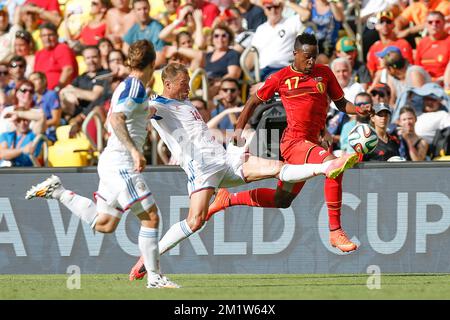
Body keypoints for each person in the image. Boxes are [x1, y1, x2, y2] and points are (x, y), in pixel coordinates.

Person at [128, 62, 360, 280]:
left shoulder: (186, 102)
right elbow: (142, 111)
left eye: (188, 81)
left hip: (225, 159)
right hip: (202, 170)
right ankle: (149, 257)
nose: (188, 86)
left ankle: (327, 166)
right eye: (183, 83)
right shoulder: (159, 105)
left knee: (278, 168)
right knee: (195, 221)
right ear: (168, 85)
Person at [25, 40, 180, 289]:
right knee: (151, 217)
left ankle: (59, 191)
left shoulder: (129, 86)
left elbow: (126, 114)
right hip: (121, 161)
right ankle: (154, 278)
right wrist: (134, 151)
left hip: (111, 160)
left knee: (105, 224)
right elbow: (117, 118)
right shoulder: (134, 88)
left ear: (130, 62)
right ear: (153, 63)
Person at [205, 33, 373, 253]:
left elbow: (341, 103)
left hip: (312, 143)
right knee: (333, 166)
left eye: (315, 56)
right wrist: (238, 131)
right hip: (294, 143)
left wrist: (358, 110)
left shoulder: (324, 73)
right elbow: (253, 100)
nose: (311, 61)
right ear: (295, 54)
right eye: (307, 57)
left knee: (282, 199)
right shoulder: (281, 77)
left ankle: (229, 198)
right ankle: (335, 231)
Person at [33, 22, 78, 91]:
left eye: (50, 35)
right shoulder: (39, 54)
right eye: (44, 36)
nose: (47, 38)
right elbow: (35, 76)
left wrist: (57, 88)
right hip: (42, 94)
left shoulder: (62, 48)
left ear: (57, 36)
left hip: (61, 91)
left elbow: (68, 70)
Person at [123, 0, 167, 68]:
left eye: (145, 8)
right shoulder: (135, 27)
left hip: (153, 69)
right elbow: (125, 48)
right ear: (134, 11)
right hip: (137, 67)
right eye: (139, 9)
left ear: (149, 8)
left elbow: (160, 58)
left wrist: (141, 69)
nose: (142, 12)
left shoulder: (157, 28)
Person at [415, 11, 449, 84]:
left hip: (445, 83)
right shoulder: (422, 43)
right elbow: (417, 68)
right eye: (430, 22)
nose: (434, 25)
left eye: (437, 22)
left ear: (444, 23)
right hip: (424, 84)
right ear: (426, 25)